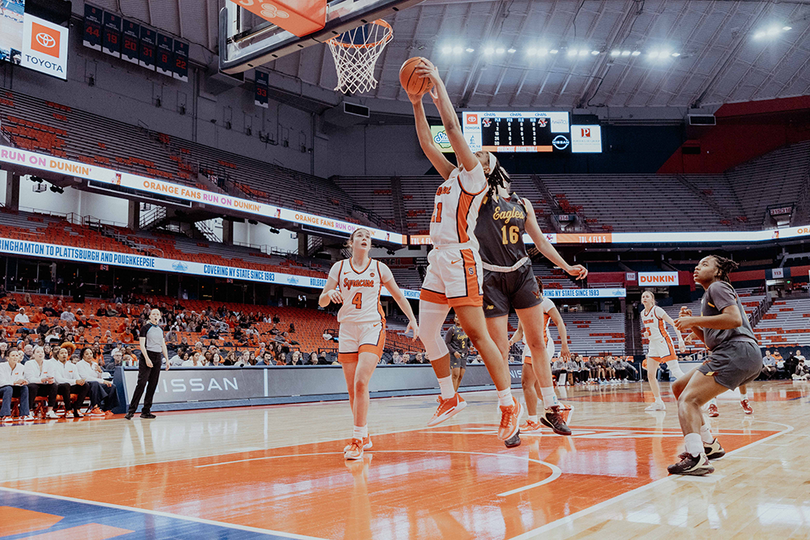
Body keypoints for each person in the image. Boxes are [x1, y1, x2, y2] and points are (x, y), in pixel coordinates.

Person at [408, 59, 522, 444]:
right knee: (427, 331)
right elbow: (427, 143)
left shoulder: (474, 178)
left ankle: (508, 404)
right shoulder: (452, 177)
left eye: (481, 154)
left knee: (477, 334)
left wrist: (438, 88)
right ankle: (449, 398)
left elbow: (452, 130)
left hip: (461, 258)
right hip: (437, 259)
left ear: (486, 169)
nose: (473, 153)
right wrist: (414, 102)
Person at [319, 228, 418, 460]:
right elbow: (322, 301)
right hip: (347, 329)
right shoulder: (339, 268)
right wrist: (330, 293)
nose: (365, 239)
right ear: (351, 243)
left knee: (361, 382)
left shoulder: (379, 268)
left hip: (372, 327)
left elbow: (399, 296)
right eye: (360, 236)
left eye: (368, 237)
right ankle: (364, 433)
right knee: (353, 389)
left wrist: (413, 319)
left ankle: (356, 440)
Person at [669, 255, 762, 476]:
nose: (696, 267)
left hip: (736, 352)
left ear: (718, 271)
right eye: (697, 264)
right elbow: (711, 340)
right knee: (680, 387)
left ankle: (695, 457)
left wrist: (693, 321)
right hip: (735, 352)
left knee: (688, 399)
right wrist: (693, 325)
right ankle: (709, 444)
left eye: (704, 264)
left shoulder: (718, 286)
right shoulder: (710, 296)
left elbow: (734, 319)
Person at [509, 290, 573, 435]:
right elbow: (520, 331)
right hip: (528, 345)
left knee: (526, 383)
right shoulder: (522, 304)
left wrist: (564, 344)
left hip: (540, 343)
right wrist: (511, 341)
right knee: (538, 389)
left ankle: (533, 422)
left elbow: (559, 322)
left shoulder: (545, 302)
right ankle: (563, 408)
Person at [640, 291, 687, 411]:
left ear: (652, 299)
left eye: (647, 296)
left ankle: (697, 393)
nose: (644, 298)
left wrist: (680, 340)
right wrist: (647, 333)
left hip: (663, 342)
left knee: (675, 371)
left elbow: (673, 323)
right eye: (643, 296)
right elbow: (650, 329)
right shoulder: (642, 314)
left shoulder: (657, 310)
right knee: (650, 375)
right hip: (653, 344)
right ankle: (658, 402)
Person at [126, 309, 170, 420]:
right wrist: (146, 358)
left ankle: (146, 411)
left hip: (157, 357)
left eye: (157, 314)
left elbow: (163, 345)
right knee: (141, 383)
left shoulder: (160, 329)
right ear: (150, 316)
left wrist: (167, 359)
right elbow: (141, 345)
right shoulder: (145, 328)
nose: (155, 316)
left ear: (160, 317)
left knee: (152, 384)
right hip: (147, 355)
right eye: (153, 314)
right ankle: (131, 411)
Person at [77, 347, 119, 417]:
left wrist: (100, 372)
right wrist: (103, 381)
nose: (89, 355)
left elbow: (99, 378)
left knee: (111, 386)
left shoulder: (95, 364)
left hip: (96, 386)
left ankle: (107, 409)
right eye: (87, 354)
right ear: (83, 355)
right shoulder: (79, 364)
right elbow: (86, 378)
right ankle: (95, 408)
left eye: (90, 353)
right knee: (95, 383)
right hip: (85, 386)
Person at [50, 346, 90, 418]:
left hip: (71, 386)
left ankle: (77, 408)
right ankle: (68, 410)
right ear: (58, 355)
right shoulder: (54, 366)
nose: (64, 354)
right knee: (66, 385)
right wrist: (75, 381)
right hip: (59, 388)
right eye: (62, 353)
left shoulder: (72, 366)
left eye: (65, 353)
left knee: (85, 385)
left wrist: (80, 381)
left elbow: (77, 377)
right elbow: (59, 380)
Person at [23, 346, 60, 419]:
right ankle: (29, 411)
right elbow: (30, 379)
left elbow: (51, 375)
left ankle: (50, 411)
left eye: (42, 352)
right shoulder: (29, 363)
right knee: (32, 386)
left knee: (54, 386)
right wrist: (42, 380)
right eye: (38, 352)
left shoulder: (49, 363)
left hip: (44, 386)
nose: (40, 354)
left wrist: (50, 380)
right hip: (33, 387)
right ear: (33, 354)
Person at [0, 350, 33, 422]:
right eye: (13, 355)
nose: (15, 357)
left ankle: (24, 414)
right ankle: (5, 415)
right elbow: (1, 382)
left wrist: (23, 381)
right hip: (2, 390)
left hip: (13, 389)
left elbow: (20, 380)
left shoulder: (21, 367)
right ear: (7, 358)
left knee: (24, 388)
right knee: (8, 389)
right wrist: (15, 382)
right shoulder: (1, 366)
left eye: (16, 355)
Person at [444, 315, 470, 391]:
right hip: (454, 355)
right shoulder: (451, 330)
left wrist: (470, 346)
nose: (458, 318)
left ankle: (455, 392)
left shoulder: (466, 329)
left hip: (464, 354)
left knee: (461, 375)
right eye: (456, 317)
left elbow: (468, 341)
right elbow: (447, 343)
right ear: (454, 319)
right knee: (455, 375)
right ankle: (451, 394)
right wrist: (453, 351)